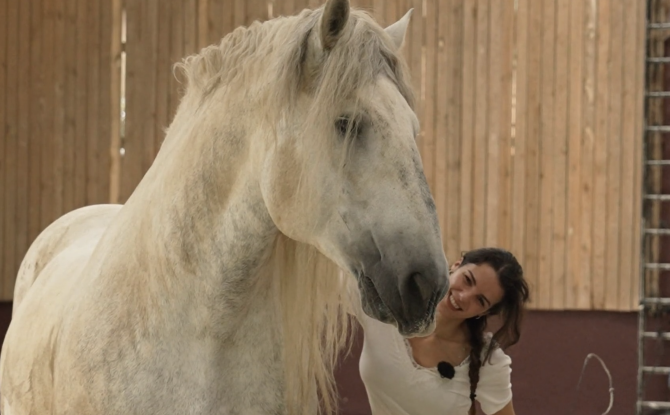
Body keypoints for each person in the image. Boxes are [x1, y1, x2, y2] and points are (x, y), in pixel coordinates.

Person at [349, 247, 530, 415]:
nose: (463, 296)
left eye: (480, 300)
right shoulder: (387, 304)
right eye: (467, 280)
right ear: (457, 265)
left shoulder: (488, 360)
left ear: (485, 312)